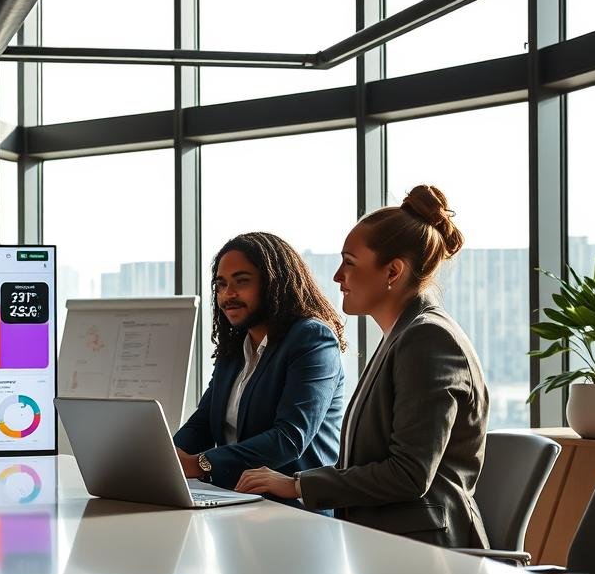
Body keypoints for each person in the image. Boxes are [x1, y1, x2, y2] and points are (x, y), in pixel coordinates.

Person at [237, 185, 490, 549]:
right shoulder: (401, 336)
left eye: (350, 262)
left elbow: (408, 475)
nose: (338, 276)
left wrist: (297, 484)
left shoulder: (428, 340)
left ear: (392, 271)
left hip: (426, 557)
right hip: (386, 544)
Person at [173, 232, 346, 506]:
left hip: (293, 513)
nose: (228, 295)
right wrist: (166, 458)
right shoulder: (236, 347)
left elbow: (289, 437)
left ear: (274, 283)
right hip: (234, 503)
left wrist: (200, 464)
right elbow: (204, 422)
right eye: (221, 284)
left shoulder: (312, 339)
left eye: (242, 282)